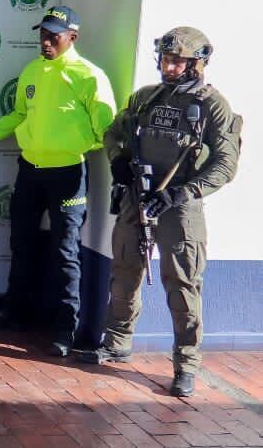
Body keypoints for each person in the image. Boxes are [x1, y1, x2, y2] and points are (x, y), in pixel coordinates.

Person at [85, 27, 240, 397]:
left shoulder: (212, 106)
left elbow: (226, 164)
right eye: (166, 59)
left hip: (180, 208)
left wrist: (181, 193)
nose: (169, 67)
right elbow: (114, 133)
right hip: (137, 199)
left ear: (197, 64)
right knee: (125, 271)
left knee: (182, 284)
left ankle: (186, 364)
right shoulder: (146, 98)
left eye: (178, 62)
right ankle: (117, 342)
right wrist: (118, 159)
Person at [0, 6, 115, 357]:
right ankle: (15, 313)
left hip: (68, 173)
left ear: (72, 37)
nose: (45, 41)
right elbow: (19, 114)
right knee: (21, 241)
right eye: (43, 33)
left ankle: (65, 329)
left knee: (65, 250)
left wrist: (71, 144)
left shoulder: (89, 76)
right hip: (29, 169)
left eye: (54, 35)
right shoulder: (32, 71)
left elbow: (106, 130)